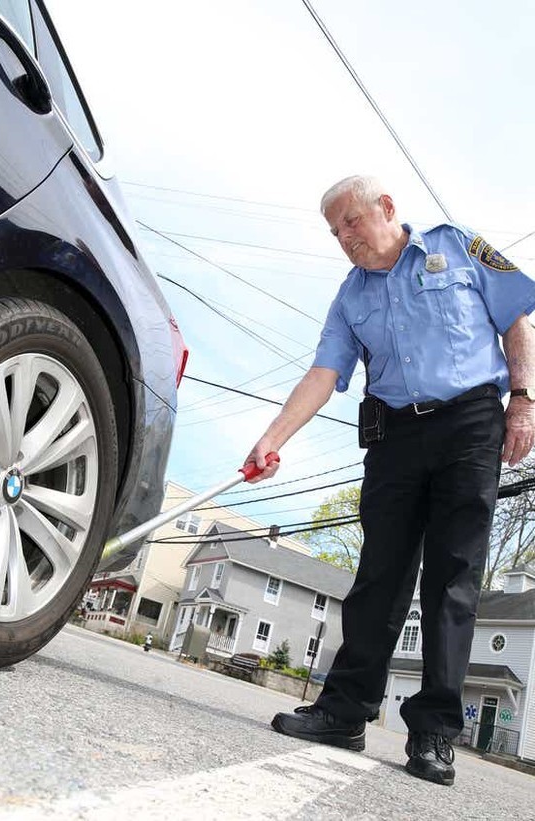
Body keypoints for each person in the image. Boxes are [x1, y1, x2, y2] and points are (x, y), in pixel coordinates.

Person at [244, 175, 535, 787]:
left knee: (453, 579)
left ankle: (434, 735)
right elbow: (324, 373)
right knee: (379, 575)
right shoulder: (349, 299)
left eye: (351, 221)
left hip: (469, 424)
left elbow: (514, 318)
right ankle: (344, 711)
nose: (344, 237)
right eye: (334, 231)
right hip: (394, 435)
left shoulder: (457, 247)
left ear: (387, 208)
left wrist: (523, 400)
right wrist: (273, 438)